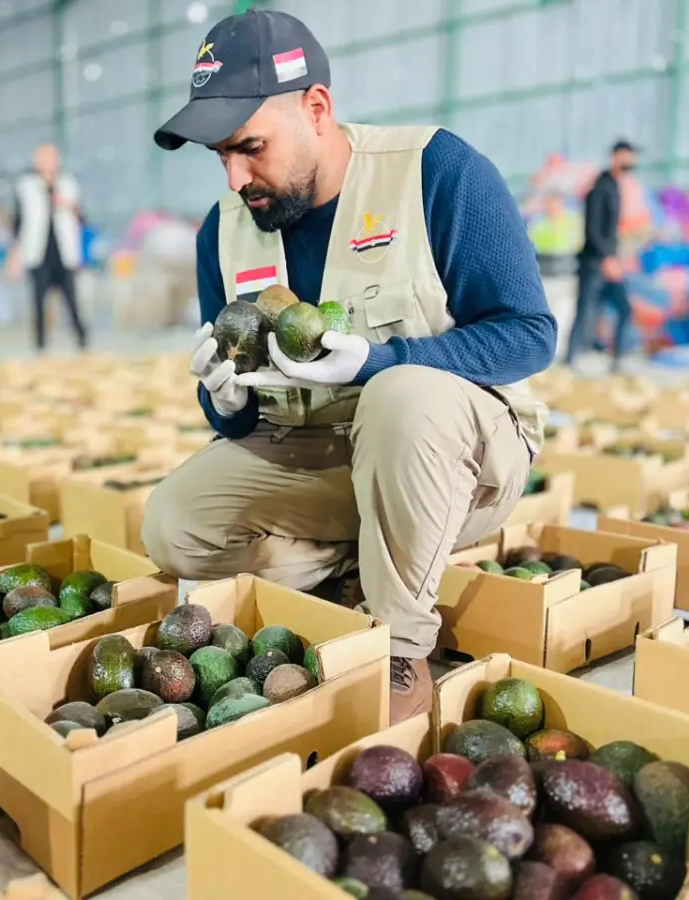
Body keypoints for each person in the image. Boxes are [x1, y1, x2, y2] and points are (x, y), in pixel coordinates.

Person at [142, 9, 556, 722]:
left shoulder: (436, 171)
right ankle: (363, 565)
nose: (237, 177)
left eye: (251, 147)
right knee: (173, 525)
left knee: (400, 396)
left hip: (454, 457)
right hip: (325, 457)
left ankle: (399, 642)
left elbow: (530, 333)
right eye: (220, 156)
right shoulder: (224, 229)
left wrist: (379, 361)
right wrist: (223, 396)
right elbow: (235, 419)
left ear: (318, 109)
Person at [7, 143, 88, 352]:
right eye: (43, 157)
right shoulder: (26, 186)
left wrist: (67, 205)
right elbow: (20, 222)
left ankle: (82, 341)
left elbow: (82, 219)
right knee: (38, 303)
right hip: (38, 253)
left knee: (72, 302)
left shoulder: (68, 184)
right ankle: (40, 345)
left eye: (51, 157)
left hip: (64, 253)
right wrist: (15, 256)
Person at [564, 140, 637, 370]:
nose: (631, 162)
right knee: (587, 309)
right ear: (615, 157)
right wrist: (607, 258)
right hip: (596, 262)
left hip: (609, 261)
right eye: (627, 157)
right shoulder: (600, 188)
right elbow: (593, 229)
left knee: (621, 308)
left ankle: (619, 359)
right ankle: (572, 358)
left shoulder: (614, 186)